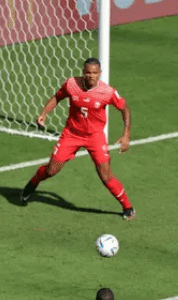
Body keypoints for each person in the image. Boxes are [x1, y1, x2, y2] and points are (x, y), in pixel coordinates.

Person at [20, 57, 136, 220]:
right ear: (83, 72)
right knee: (51, 170)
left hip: (95, 137)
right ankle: (32, 184)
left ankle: (127, 207)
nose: (91, 76)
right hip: (72, 134)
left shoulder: (108, 92)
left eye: (94, 73)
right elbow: (57, 97)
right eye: (88, 72)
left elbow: (125, 109)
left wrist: (126, 134)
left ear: (100, 73)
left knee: (105, 175)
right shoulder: (71, 84)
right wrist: (44, 113)